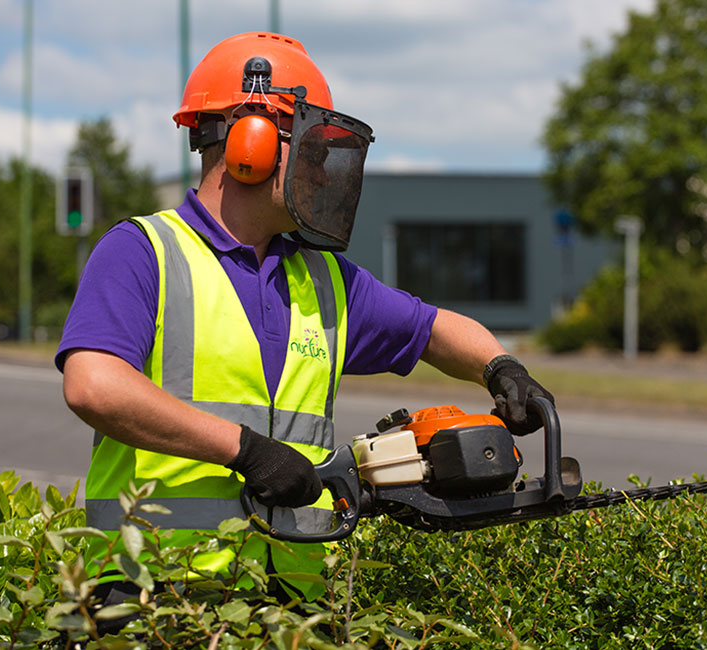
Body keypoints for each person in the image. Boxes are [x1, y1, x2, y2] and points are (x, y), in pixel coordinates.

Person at [56, 31, 554, 615]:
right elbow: (94, 384)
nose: (322, 173)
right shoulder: (144, 251)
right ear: (252, 139)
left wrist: (500, 368)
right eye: (312, 148)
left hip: (290, 603)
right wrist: (246, 451)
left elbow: (432, 329)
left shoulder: (324, 280)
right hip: (156, 599)